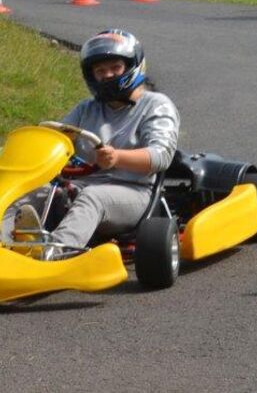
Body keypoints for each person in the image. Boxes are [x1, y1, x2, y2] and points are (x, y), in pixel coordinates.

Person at [7, 29, 180, 260]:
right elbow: (58, 138)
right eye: (100, 71)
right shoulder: (86, 108)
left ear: (131, 66)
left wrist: (117, 158)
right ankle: (5, 247)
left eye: (115, 68)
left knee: (92, 197)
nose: (107, 75)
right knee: (31, 194)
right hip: (81, 186)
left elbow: (161, 156)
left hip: (134, 191)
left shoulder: (155, 105)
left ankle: (54, 253)